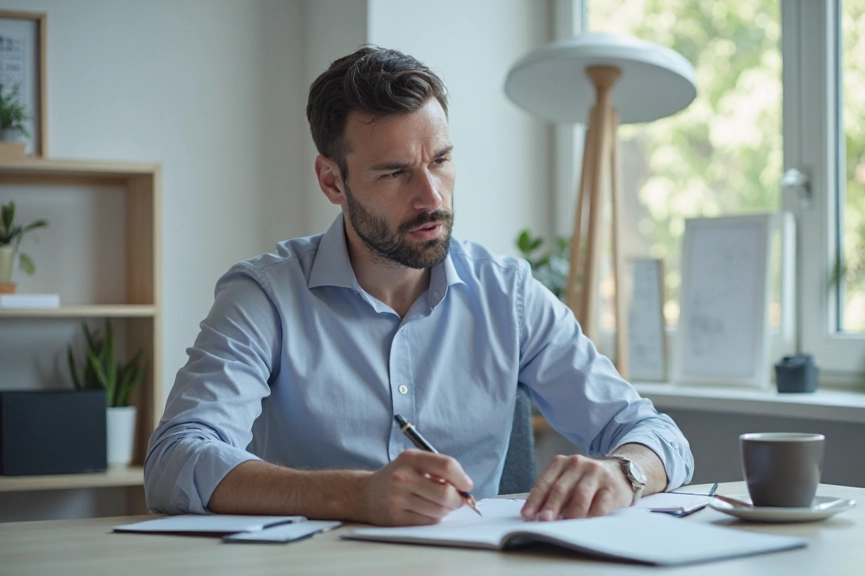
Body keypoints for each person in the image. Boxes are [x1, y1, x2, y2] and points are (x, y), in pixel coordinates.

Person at [144, 45, 693, 527]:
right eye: (394, 172)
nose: (431, 197)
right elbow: (174, 460)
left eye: (441, 160)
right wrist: (355, 496)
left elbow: (654, 433)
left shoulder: (508, 295)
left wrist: (624, 473)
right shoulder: (264, 296)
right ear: (332, 181)